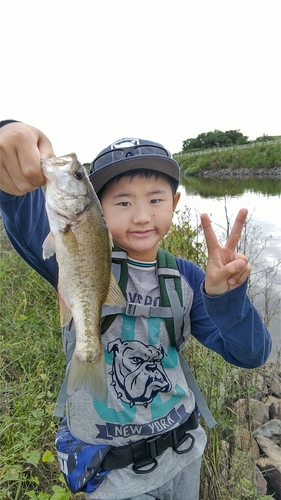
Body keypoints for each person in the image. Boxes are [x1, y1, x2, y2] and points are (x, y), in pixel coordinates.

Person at [0, 121, 272, 500]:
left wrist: (226, 297)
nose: (142, 216)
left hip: (184, 456)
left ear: (175, 204)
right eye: (123, 202)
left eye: (156, 199)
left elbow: (252, 355)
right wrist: (9, 136)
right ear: (96, 208)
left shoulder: (187, 277)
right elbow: (19, 202)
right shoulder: (73, 249)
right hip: (114, 478)